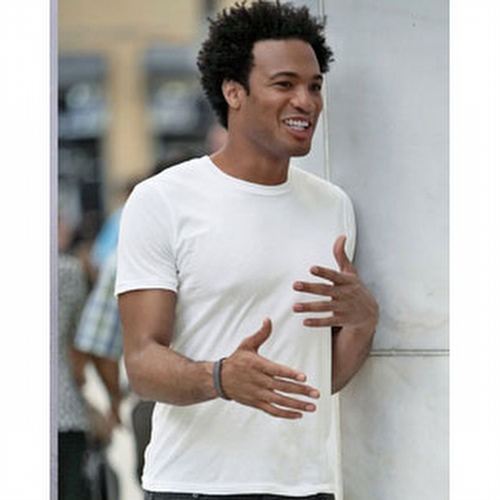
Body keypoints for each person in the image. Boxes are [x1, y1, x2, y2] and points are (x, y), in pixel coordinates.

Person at [116, 2, 379, 500]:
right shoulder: (163, 200)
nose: (306, 101)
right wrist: (219, 378)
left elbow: (318, 380)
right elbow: (142, 364)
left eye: (315, 86)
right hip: (194, 485)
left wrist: (364, 323)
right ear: (233, 91)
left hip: (306, 486)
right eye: (284, 84)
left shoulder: (333, 207)